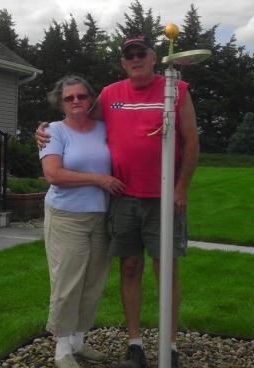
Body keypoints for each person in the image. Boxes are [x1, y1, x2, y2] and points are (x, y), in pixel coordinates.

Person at [37, 36, 199, 368]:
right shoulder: (111, 94)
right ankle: (134, 345)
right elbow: (74, 120)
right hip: (123, 199)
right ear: (123, 63)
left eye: (142, 53)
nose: (136, 59)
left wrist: (181, 187)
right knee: (128, 267)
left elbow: (192, 141)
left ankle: (171, 345)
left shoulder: (176, 92)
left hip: (163, 198)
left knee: (165, 269)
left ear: (154, 58)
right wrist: (41, 130)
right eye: (130, 56)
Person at [40, 75, 125, 368]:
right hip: (66, 217)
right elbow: (54, 175)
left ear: (91, 98)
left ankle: (78, 341)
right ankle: (62, 348)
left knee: (93, 281)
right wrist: (98, 179)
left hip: (101, 216)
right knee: (68, 281)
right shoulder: (53, 131)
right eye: (69, 98)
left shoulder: (104, 128)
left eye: (81, 96)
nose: (76, 101)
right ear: (60, 103)